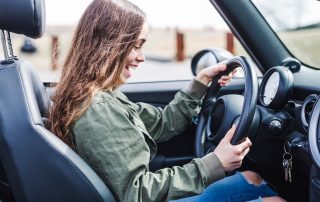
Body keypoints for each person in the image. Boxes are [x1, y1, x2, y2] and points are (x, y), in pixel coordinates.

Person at [48, 0, 285, 201]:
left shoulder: (103, 96)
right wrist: (215, 163)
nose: (141, 57)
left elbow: (161, 124)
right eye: (135, 46)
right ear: (108, 46)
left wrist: (200, 83)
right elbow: (137, 192)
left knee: (252, 178)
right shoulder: (98, 110)